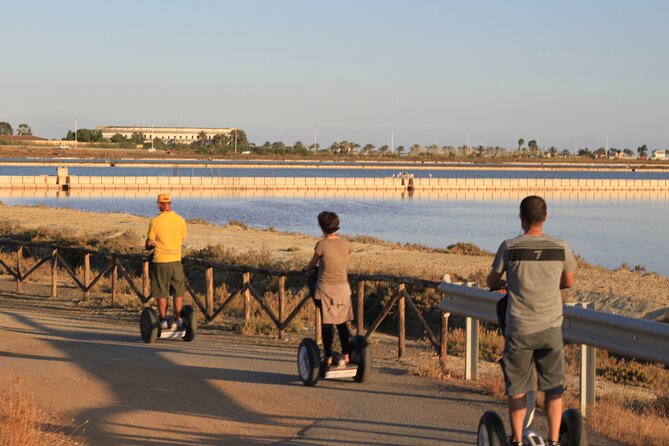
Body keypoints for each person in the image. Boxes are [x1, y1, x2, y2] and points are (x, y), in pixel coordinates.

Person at [486, 196, 576, 446]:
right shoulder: (561, 247)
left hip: (519, 329)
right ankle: (555, 440)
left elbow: (491, 282)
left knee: (517, 387)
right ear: (546, 217)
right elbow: (568, 281)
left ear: (521, 218)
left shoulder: (510, 246)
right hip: (550, 329)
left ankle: (516, 439)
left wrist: (508, 284)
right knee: (554, 387)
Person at [303, 211, 354, 367]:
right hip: (343, 289)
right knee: (342, 322)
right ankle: (346, 354)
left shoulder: (321, 245)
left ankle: (329, 356)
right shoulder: (347, 244)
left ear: (321, 226)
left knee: (327, 323)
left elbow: (312, 264)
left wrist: (306, 269)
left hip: (325, 289)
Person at [145, 193, 188, 330]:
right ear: (170, 204)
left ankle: (163, 319)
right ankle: (179, 319)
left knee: (161, 292)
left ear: (159, 204)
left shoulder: (155, 221)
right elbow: (182, 238)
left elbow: (149, 242)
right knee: (178, 291)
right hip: (176, 260)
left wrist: (149, 246)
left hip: (161, 260)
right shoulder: (180, 220)